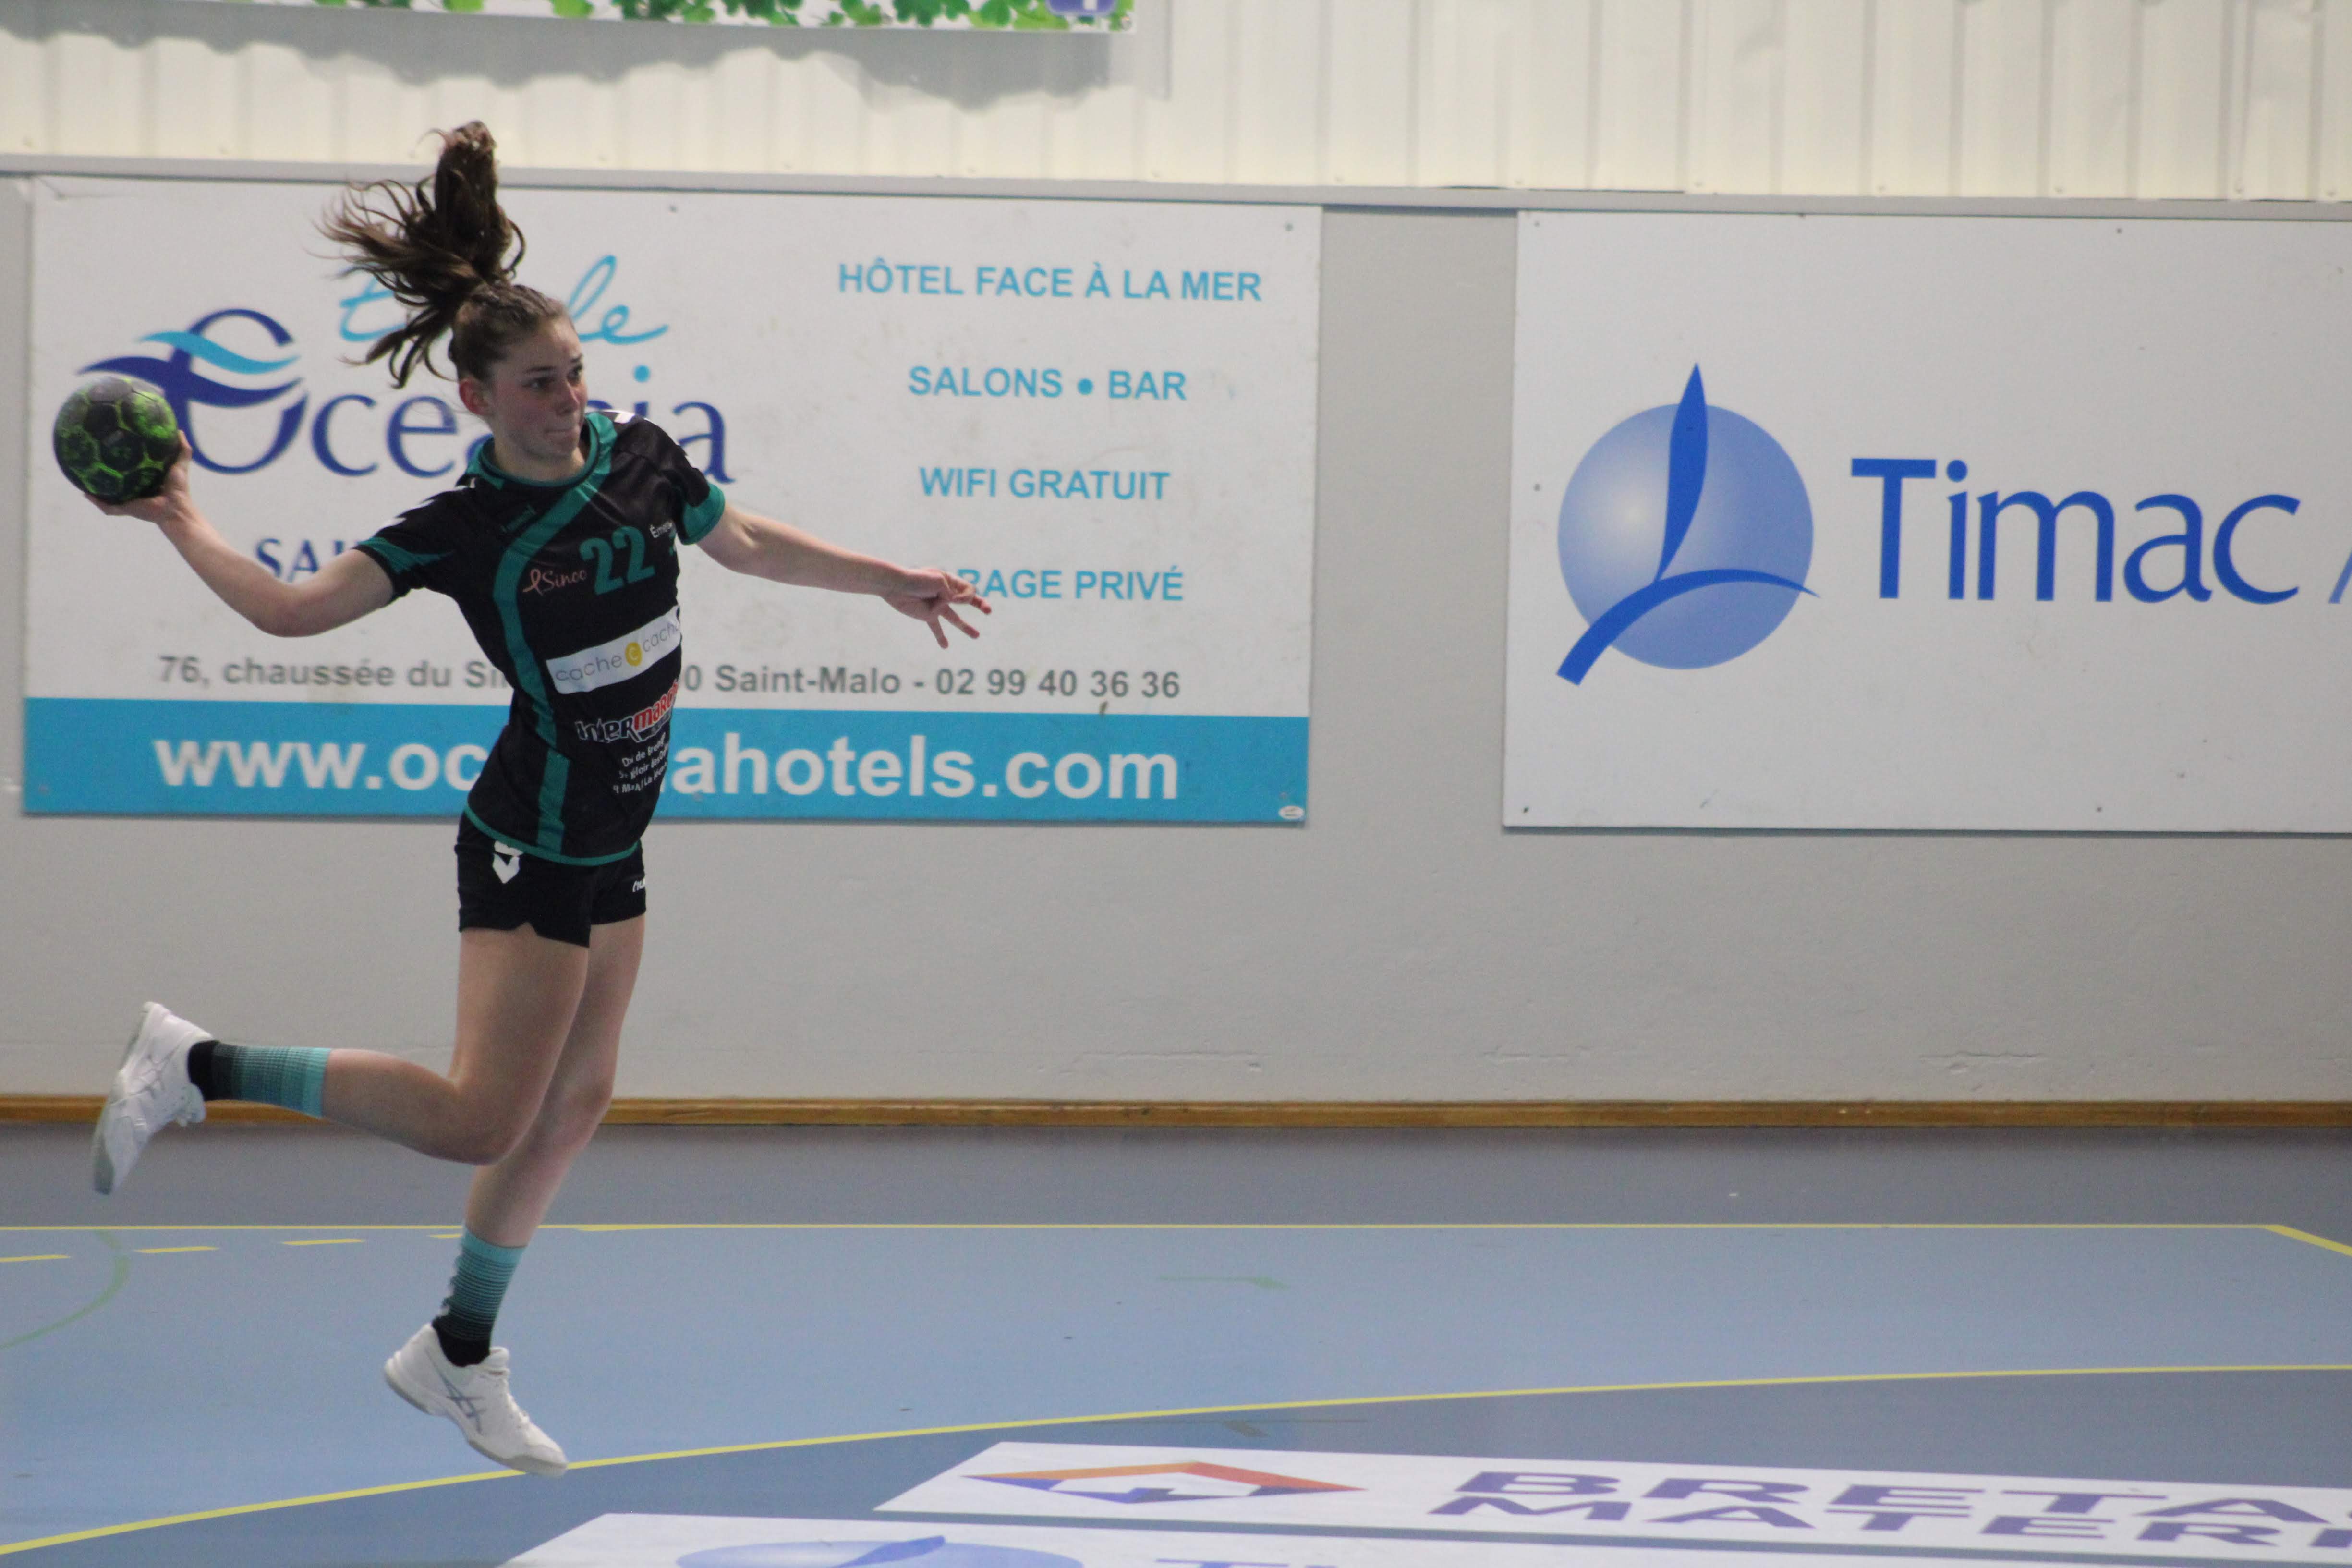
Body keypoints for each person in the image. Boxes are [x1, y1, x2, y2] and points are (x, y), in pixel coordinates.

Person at [84, 122, 987, 1477]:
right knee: (481, 1120)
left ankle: (456, 1349)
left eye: (573, 374)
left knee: (578, 1101)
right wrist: (180, 517)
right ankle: (196, 1066)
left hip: (615, 831)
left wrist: (888, 581)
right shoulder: (463, 530)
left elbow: (746, 542)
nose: (566, 400)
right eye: (538, 385)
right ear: (477, 398)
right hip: (531, 838)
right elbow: (289, 613)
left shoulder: (641, 457)